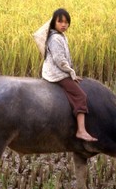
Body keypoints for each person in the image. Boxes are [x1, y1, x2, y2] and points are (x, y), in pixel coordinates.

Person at [41, 8, 97, 142]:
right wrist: (71, 72)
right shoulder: (55, 38)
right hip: (57, 73)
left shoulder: (60, 36)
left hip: (58, 70)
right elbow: (60, 60)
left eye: (66, 22)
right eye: (60, 21)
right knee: (80, 95)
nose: (63, 24)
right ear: (54, 23)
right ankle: (81, 130)